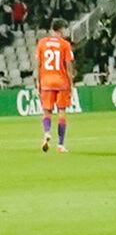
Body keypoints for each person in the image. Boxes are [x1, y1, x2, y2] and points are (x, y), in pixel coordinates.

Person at [35, 22, 75, 153]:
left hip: (46, 81)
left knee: (47, 111)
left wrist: (38, 82)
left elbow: (38, 64)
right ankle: (60, 145)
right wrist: (71, 84)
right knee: (61, 112)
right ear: (60, 30)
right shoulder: (65, 44)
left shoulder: (42, 43)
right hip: (61, 82)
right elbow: (68, 67)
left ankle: (47, 132)